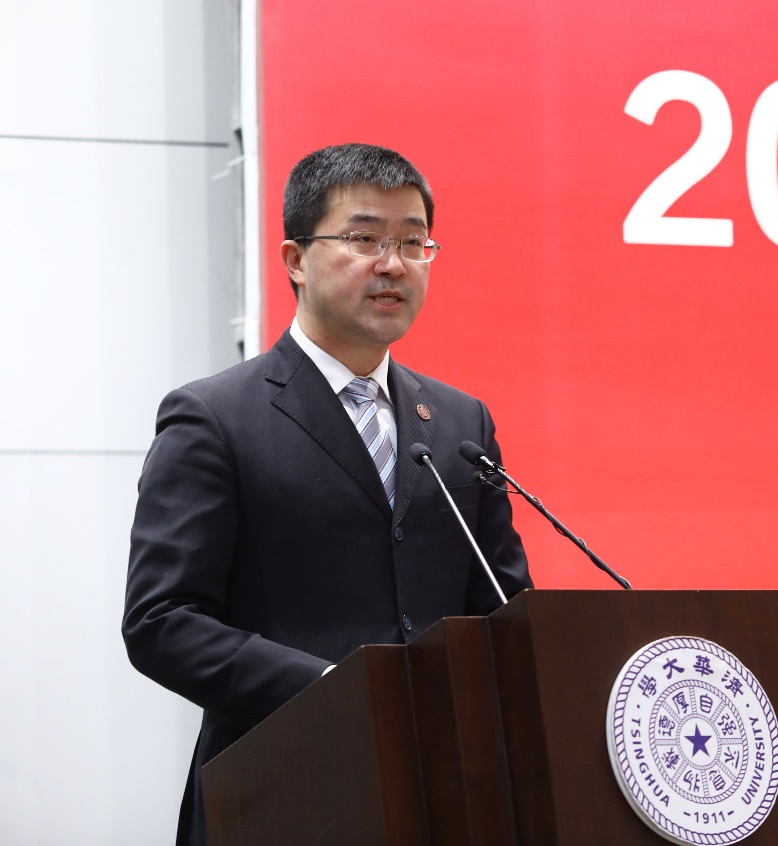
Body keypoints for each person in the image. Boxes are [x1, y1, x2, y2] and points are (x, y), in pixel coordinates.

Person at [122, 143, 532, 846]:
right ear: (295, 259)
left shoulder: (461, 421)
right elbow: (162, 621)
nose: (393, 264)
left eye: (413, 242)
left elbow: (503, 606)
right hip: (279, 792)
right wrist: (337, 689)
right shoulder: (216, 417)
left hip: (446, 796)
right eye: (365, 239)